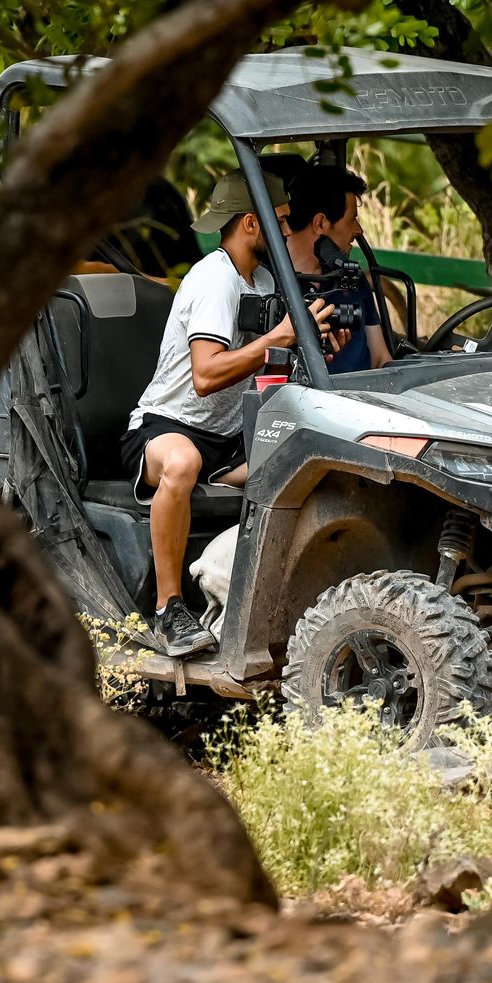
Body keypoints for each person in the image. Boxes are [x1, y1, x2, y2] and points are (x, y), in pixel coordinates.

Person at [122, 171, 337, 658]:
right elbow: (206, 375)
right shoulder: (214, 278)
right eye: (280, 222)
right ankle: (168, 611)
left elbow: (273, 359)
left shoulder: (260, 280)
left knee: (310, 460)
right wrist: (275, 341)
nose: (287, 232)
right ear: (249, 223)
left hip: (226, 439)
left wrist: (310, 343)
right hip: (166, 428)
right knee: (182, 465)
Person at [286, 165, 391, 373]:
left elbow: (380, 359)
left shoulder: (353, 279)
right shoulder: (272, 285)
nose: (358, 230)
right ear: (320, 223)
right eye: (352, 219)